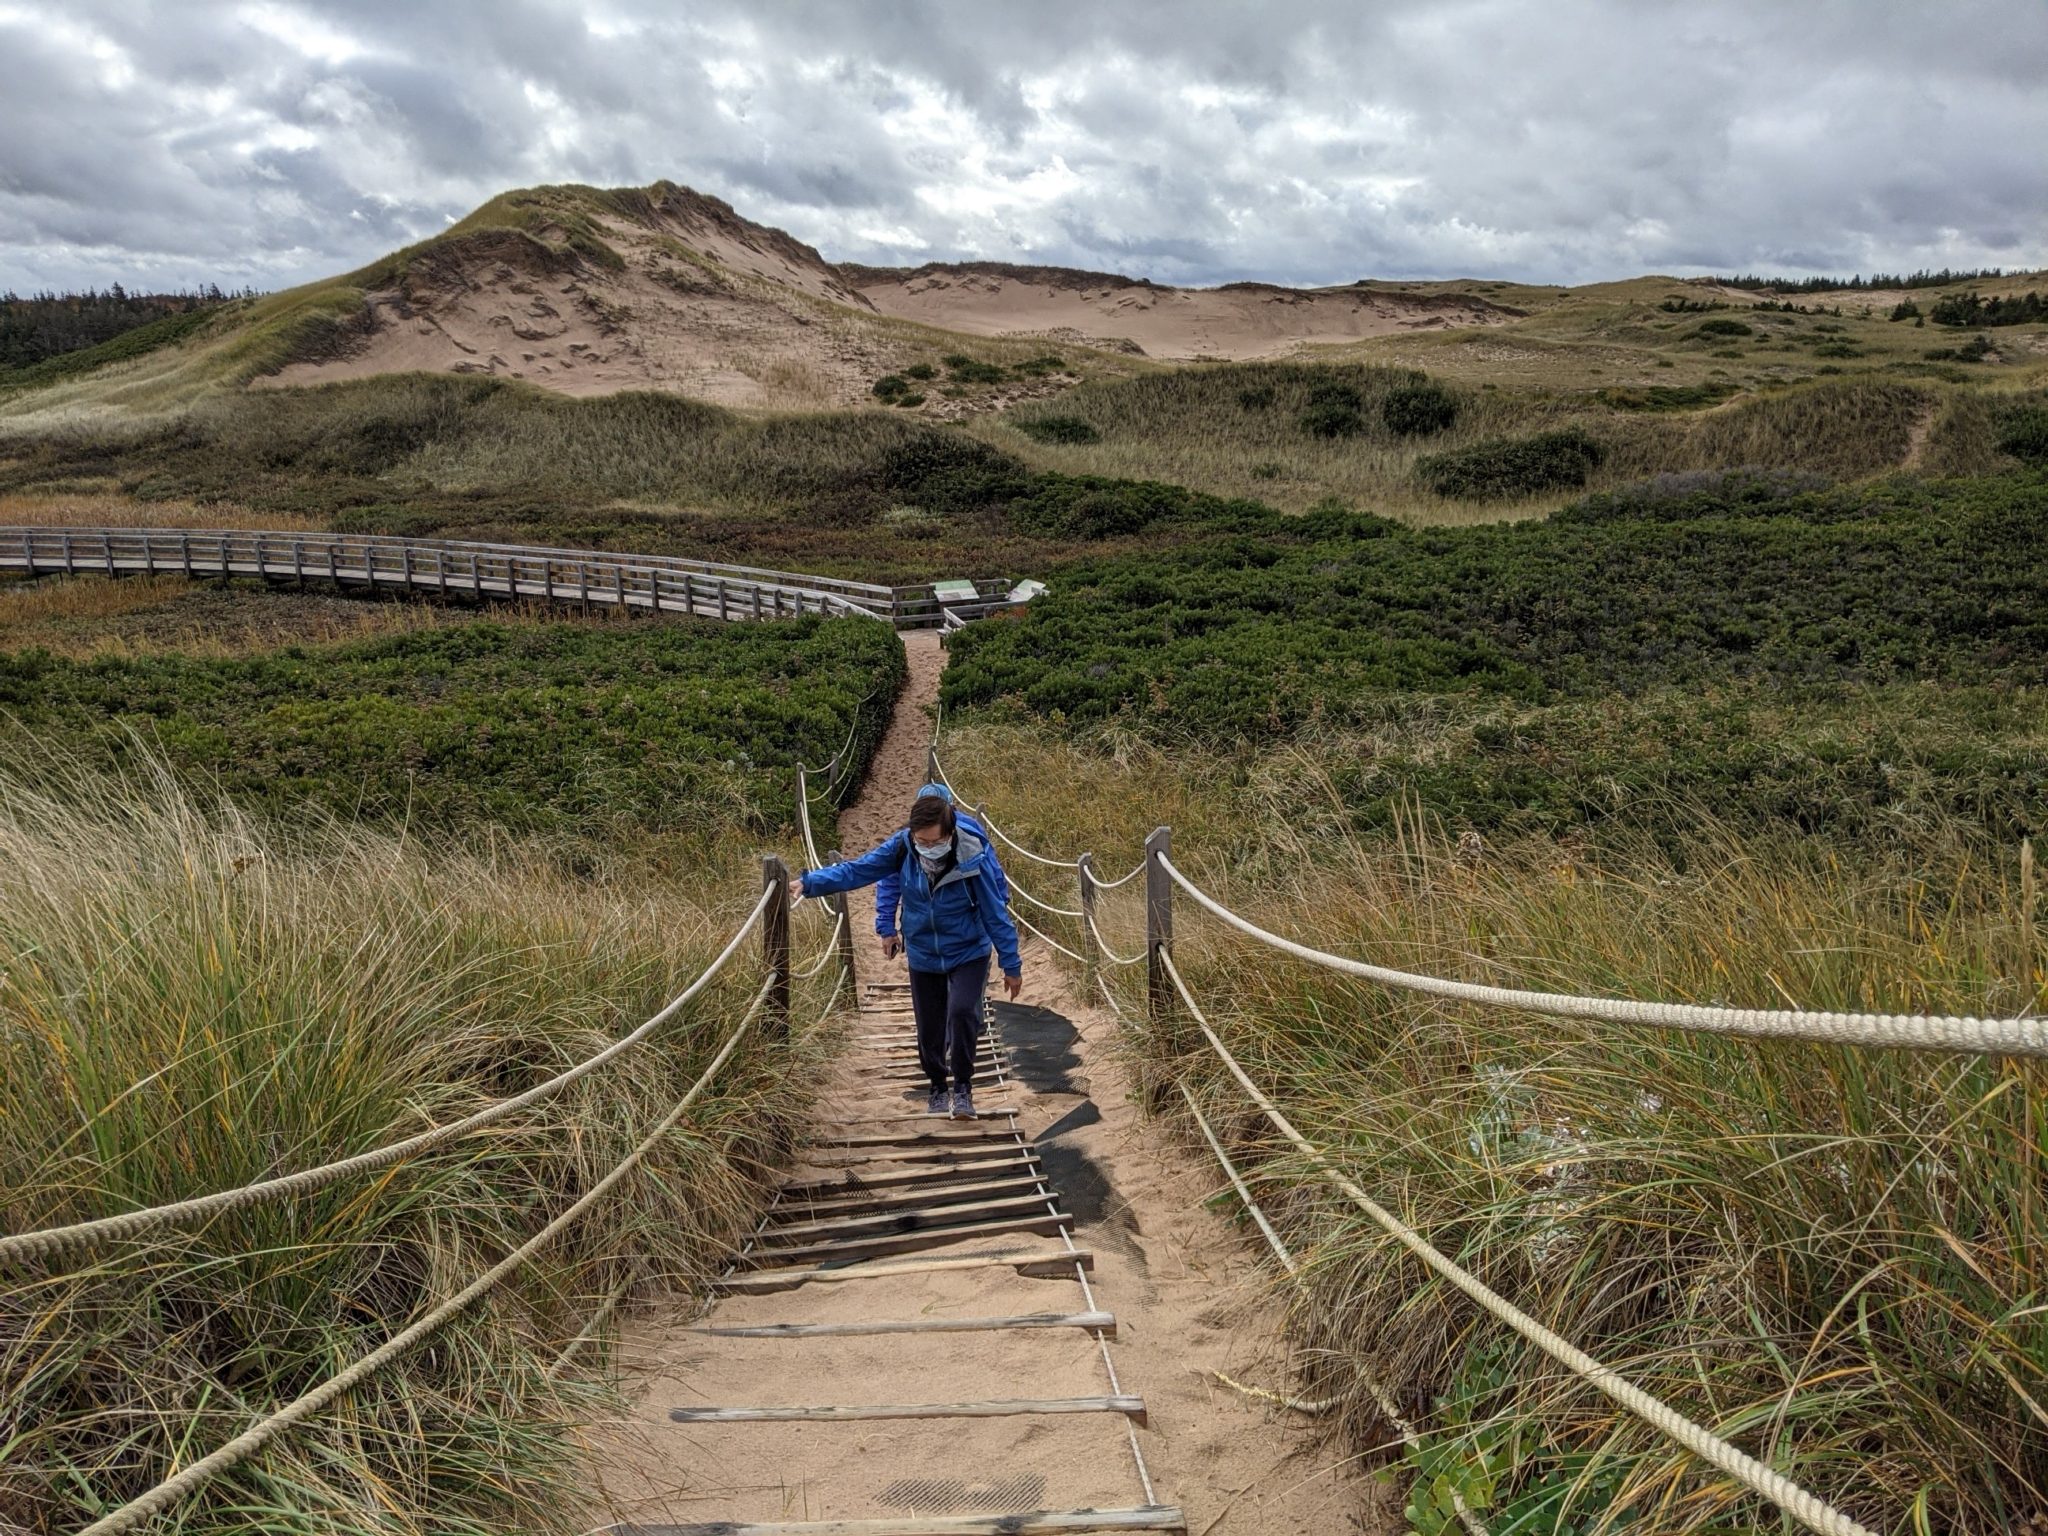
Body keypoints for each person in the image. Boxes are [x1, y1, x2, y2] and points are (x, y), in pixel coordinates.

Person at [792, 788, 1022, 1119]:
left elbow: (995, 911)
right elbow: (858, 870)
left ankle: (963, 1088)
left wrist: (1011, 964)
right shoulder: (902, 847)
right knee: (929, 1027)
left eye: (935, 842)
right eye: (921, 841)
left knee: (962, 1013)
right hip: (923, 950)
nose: (928, 848)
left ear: (950, 832)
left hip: (969, 948)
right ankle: (938, 1087)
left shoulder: (973, 854)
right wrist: (811, 883)